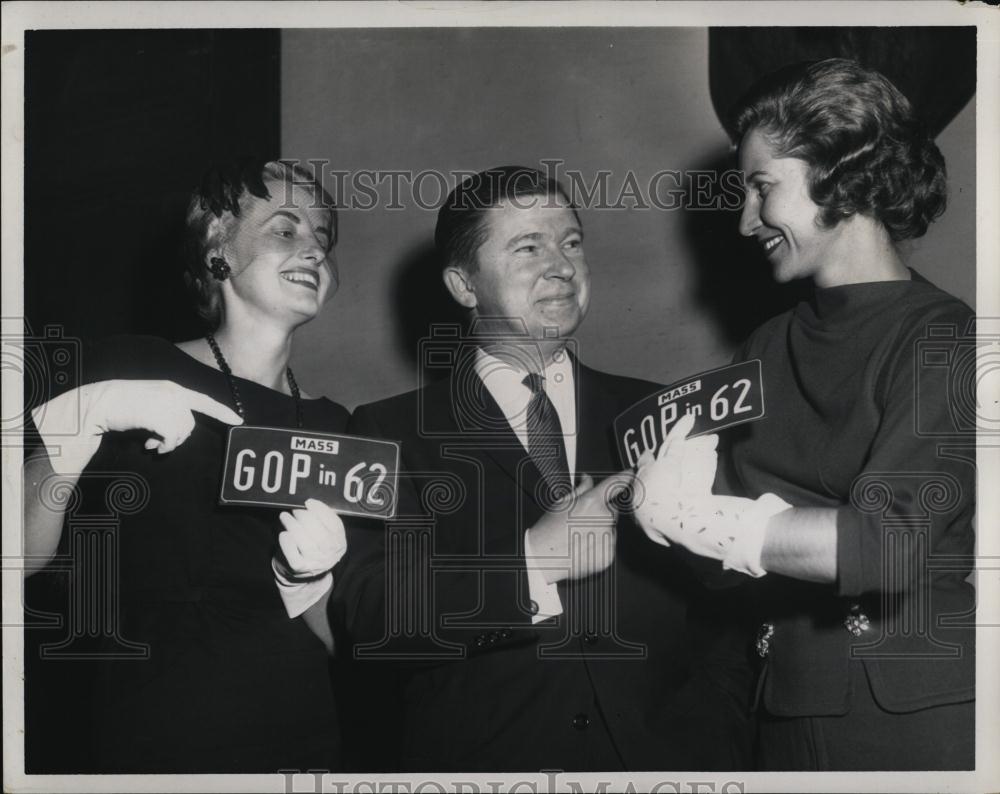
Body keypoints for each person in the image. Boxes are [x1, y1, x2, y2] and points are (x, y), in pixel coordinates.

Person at [330, 165, 754, 772]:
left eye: (572, 242)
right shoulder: (388, 430)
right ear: (463, 285)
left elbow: (723, 604)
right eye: (528, 247)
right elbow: (372, 617)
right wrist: (535, 561)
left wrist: (722, 733)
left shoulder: (664, 413)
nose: (561, 265)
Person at [632, 59, 975, 770]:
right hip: (783, 708)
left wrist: (710, 521)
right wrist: (663, 511)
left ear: (841, 175)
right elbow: (723, 569)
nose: (745, 219)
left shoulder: (942, 336)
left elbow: (888, 544)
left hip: (910, 720)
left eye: (762, 189)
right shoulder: (766, 345)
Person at [23, 159, 349, 773]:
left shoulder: (338, 426)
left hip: (304, 743)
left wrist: (312, 584)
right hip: (157, 739)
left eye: (323, 238)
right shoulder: (129, 365)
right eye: (286, 229)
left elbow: (340, 644)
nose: (314, 249)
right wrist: (80, 421)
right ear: (217, 250)